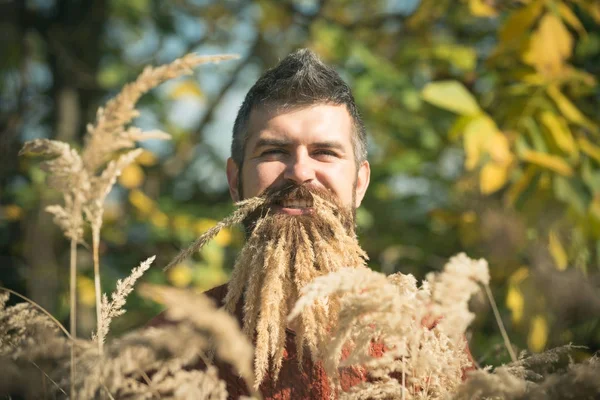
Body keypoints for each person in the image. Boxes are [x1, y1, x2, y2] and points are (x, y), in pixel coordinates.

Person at [151, 48, 474, 399]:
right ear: (234, 180)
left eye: (324, 152)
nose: (300, 172)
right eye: (274, 151)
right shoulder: (177, 343)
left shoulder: (425, 337)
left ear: (360, 184)